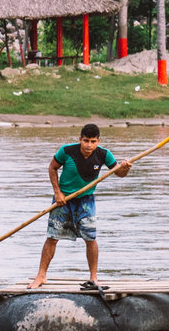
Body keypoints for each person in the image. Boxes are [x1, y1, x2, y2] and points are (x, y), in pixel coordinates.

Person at [25, 122, 131, 289]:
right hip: (63, 199)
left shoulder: (104, 154)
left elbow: (119, 173)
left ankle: (94, 278)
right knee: (52, 237)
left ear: (98, 141)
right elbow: (52, 168)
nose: (89, 145)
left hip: (86, 201)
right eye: (86, 141)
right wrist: (57, 193)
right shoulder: (67, 151)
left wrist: (125, 168)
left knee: (91, 239)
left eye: (93, 141)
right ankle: (41, 276)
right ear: (80, 139)